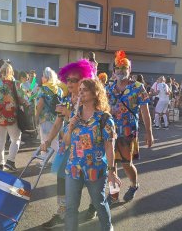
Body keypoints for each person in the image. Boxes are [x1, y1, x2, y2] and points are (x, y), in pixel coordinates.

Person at [40, 59, 96, 229]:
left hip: (86, 147)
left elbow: (90, 122)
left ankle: (94, 205)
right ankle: (61, 212)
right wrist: (48, 140)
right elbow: (57, 123)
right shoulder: (64, 99)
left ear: (83, 80)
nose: (70, 83)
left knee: (90, 179)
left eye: (74, 80)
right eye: (68, 80)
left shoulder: (88, 100)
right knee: (62, 179)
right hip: (67, 146)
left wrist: (70, 113)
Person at [64, 78, 121, 231]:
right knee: (70, 208)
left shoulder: (104, 118)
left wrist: (111, 171)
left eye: (85, 90)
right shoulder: (74, 116)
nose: (80, 92)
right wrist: (70, 127)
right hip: (74, 168)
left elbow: (110, 146)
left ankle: (107, 228)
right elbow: (67, 142)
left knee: (99, 203)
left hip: (95, 169)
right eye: (80, 89)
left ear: (95, 93)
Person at [106, 51, 154, 205]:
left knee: (127, 164)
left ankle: (134, 185)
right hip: (110, 132)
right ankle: (114, 194)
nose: (120, 71)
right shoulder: (109, 87)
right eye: (117, 68)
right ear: (113, 71)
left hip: (128, 133)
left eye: (124, 68)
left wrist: (149, 134)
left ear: (129, 70)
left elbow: (145, 113)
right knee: (111, 166)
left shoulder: (138, 87)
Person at [0, 63, 22, 171]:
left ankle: (0, 164)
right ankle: (10, 161)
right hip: (11, 116)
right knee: (16, 139)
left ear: (1, 71)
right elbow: (21, 98)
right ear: (11, 72)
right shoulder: (16, 84)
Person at [35, 67, 63, 163]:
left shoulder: (43, 89)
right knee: (54, 140)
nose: (42, 78)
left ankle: (44, 160)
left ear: (46, 78)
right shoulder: (59, 89)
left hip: (45, 119)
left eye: (43, 76)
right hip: (57, 119)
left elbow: (40, 104)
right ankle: (55, 161)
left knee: (44, 140)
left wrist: (36, 117)